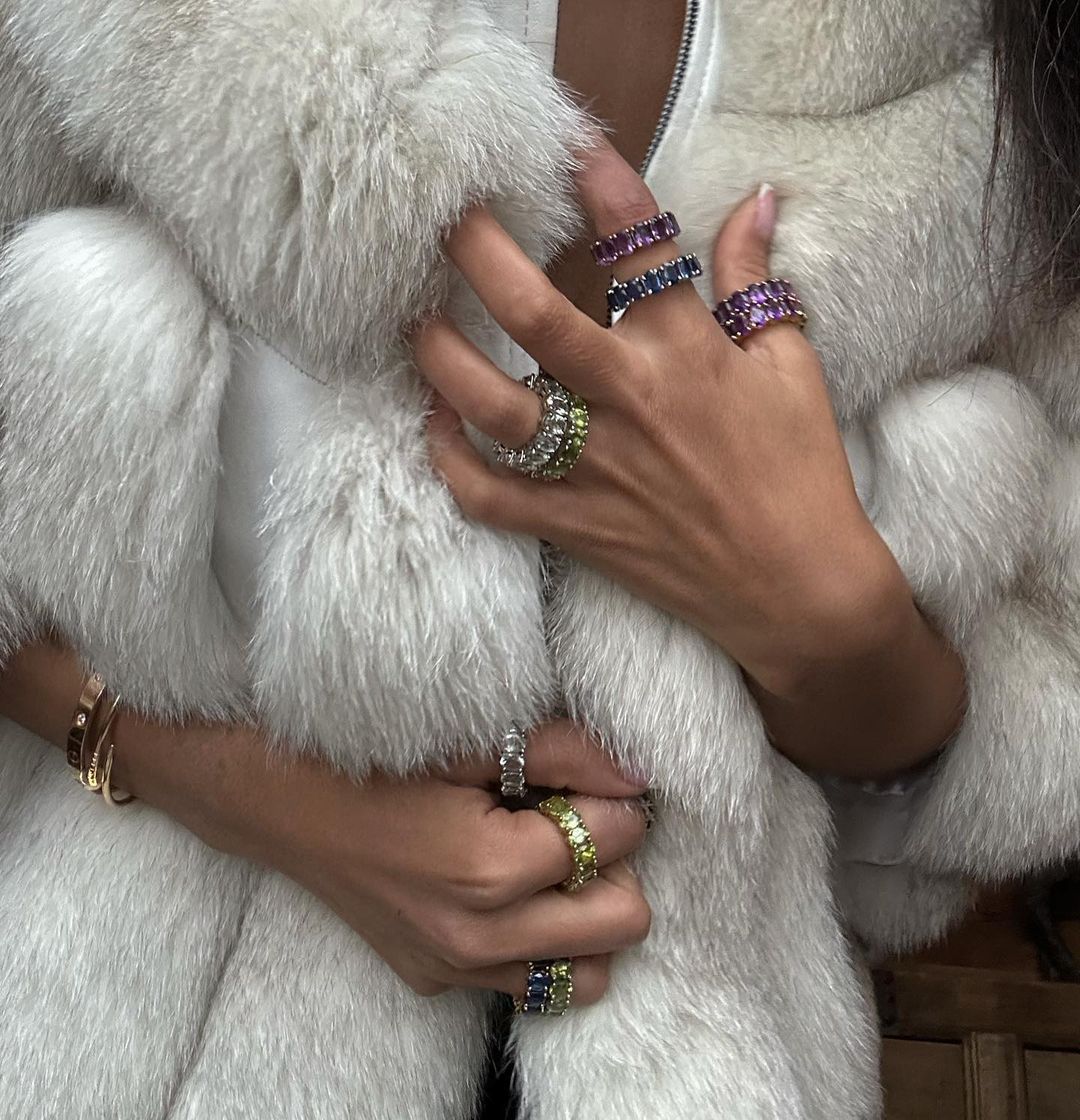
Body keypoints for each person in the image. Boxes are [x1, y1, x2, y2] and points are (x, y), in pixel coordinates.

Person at [0, 2, 1076, 1117]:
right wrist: (249, 797)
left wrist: (837, 627)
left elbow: (1042, 669)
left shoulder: (983, 49)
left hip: (707, 1055)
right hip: (131, 1025)